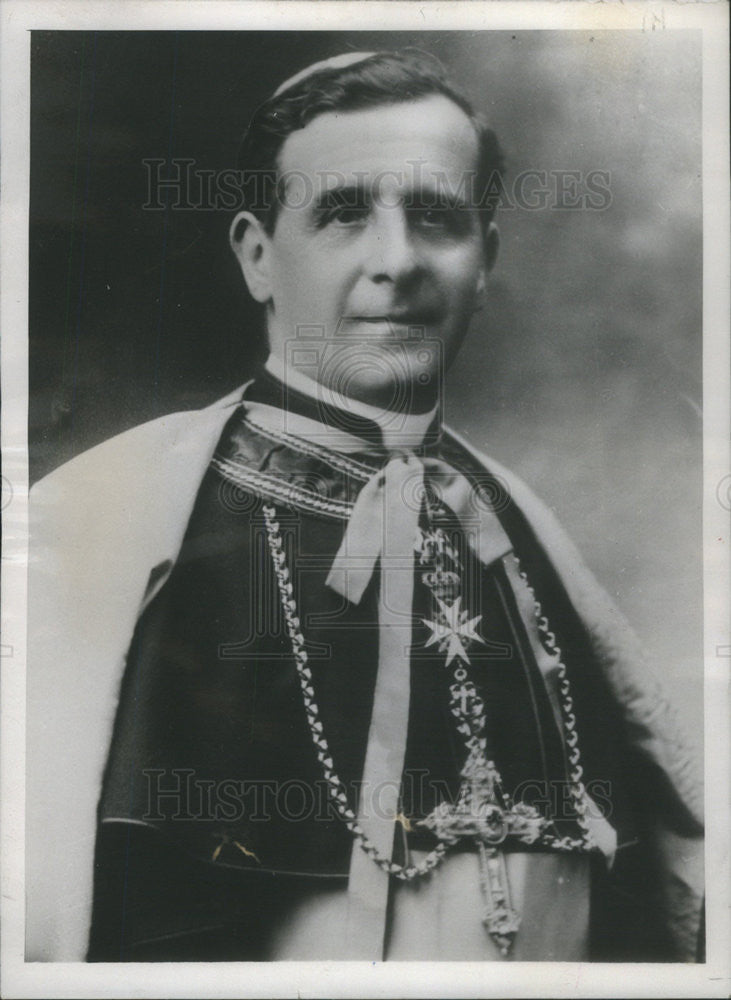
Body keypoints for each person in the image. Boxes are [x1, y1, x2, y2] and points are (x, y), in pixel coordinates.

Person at [26, 49, 703, 963]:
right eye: (344, 213)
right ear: (258, 257)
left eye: (436, 218)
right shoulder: (118, 530)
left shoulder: (522, 531)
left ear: (486, 261)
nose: (397, 261)